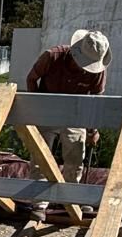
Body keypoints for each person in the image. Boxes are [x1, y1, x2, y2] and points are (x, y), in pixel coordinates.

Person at [25, 29, 110, 183]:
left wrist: (93, 130)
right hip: (47, 110)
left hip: (75, 115)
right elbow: (31, 79)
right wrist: (37, 108)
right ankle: (38, 202)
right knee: (40, 156)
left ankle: (69, 200)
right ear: (75, 53)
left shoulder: (98, 71)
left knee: (75, 158)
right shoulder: (52, 56)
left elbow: (96, 100)